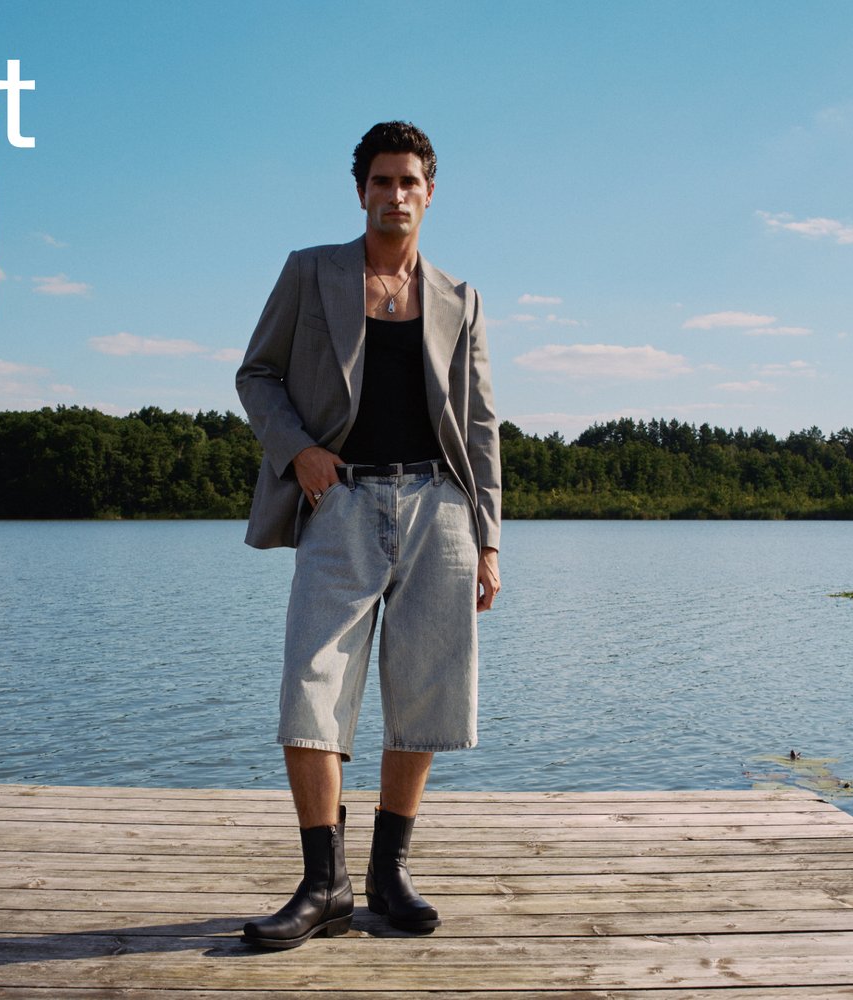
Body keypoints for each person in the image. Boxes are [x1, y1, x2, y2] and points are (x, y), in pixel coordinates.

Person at [235, 121, 501, 949]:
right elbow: (257, 374)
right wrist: (301, 452)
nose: (394, 195)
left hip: (440, 506)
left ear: (430, 192)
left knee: (423, 693)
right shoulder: (311, 272)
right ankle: (324, 883)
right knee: (311, 687)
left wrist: (489, 537)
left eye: (409, 181)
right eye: (381, 181)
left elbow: (483, 423)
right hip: (340, 502)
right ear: (361, 191)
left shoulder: (462, 297)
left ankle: (389, 872)